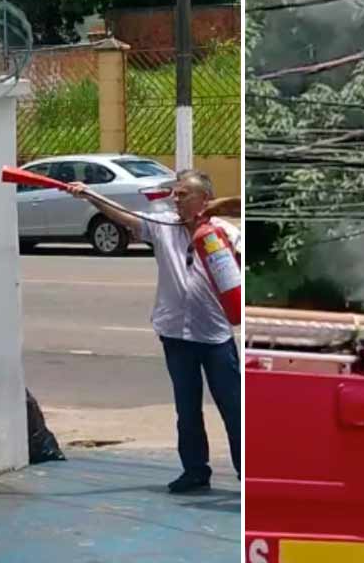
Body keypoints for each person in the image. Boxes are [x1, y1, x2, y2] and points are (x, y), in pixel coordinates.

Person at [58, 170, 241, 493]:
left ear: (203, 200)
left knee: (233, 408)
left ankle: (248, 473)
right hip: (175, 334)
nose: (176, 198)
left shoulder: (223, 232)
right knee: (187, 409)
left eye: (184, 194)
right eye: (175, 193)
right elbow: (126, 217)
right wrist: (89, 195)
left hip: (215, 338)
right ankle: (195, 471)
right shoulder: (162, 227)